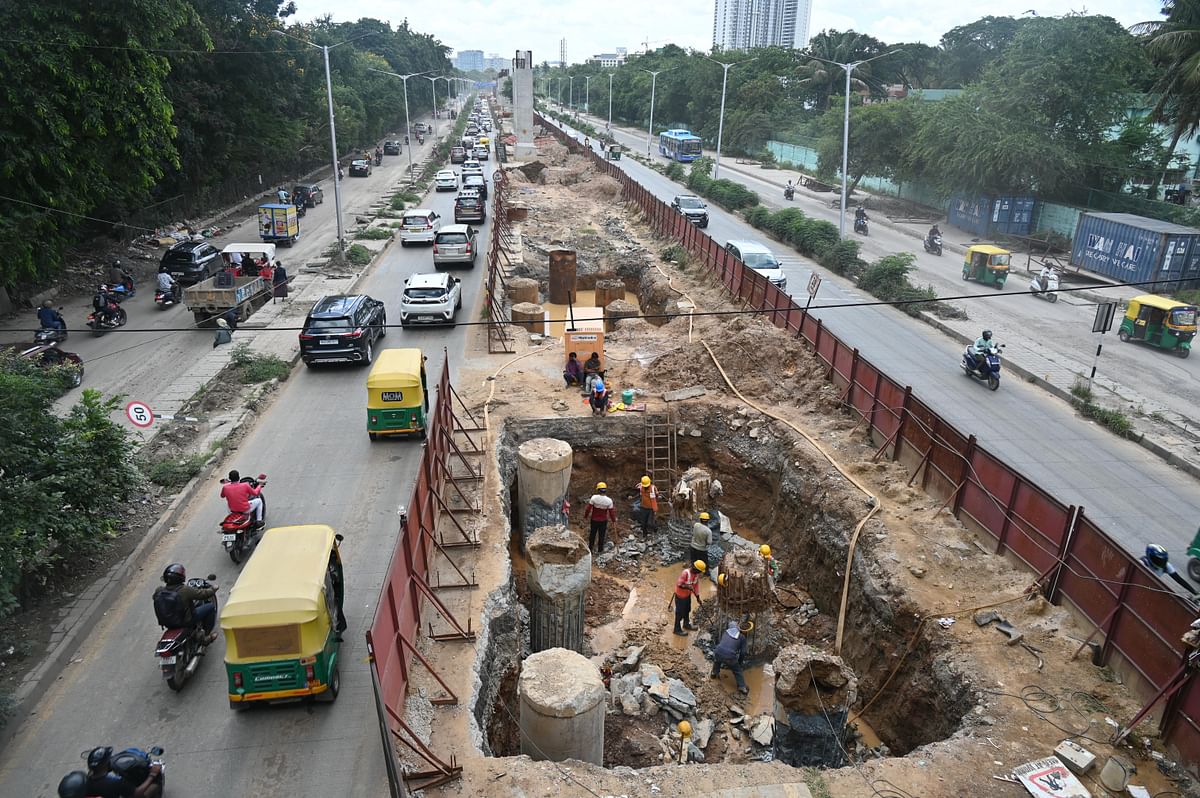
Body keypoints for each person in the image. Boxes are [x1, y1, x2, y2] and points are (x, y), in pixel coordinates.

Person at [153, 563, 218, 643]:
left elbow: (155, 598)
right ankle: (206, 637)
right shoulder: (184, 590)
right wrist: (213, 589)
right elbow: (202, 594)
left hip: (167, 623)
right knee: (210, 607)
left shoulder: (159, 591)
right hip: (186, 621)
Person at [83, 746, 162, 798]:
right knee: (154, 785)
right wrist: (152, 775)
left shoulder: (87, 779)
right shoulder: (116, 782)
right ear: (105, 764)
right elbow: (136, 794)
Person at [711, 620, 749, 694]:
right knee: (737, 671)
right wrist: (740, 663)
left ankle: (714, 673)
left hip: (718, 651)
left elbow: (722, 643)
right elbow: (743, 652)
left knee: (717, 661)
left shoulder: (725, 633)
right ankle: (742, 687)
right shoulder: (741, 637)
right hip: (730, 656)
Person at [672, 560, 705, 636]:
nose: (700, 573)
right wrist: (687, 586)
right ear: (695, 568)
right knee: (679, 613)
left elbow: (696, 587)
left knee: (687, 610)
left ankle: (686, 624)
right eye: (699, 571)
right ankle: (676, 629)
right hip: (680, 597)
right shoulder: (685, 573)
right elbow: (679, 584)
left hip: (687, 596)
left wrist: (698, 597)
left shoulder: (696, 575)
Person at [584, 482, 616, 554]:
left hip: (594, 520)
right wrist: (613, 520)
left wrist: (586, 516)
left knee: (592, 534)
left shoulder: (594, 498)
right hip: (603, 521)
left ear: (598, 490)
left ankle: (590, 548)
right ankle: (600, 550)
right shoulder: (609, 501)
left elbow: (588, 509)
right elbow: (611, 512)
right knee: (602, 535)